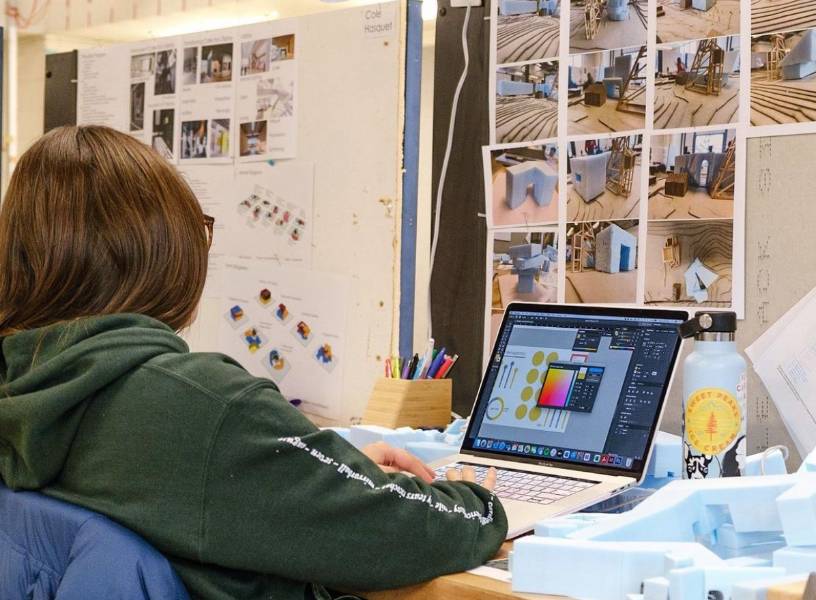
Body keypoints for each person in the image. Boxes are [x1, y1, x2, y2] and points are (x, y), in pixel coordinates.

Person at [0, 126, 507, 599]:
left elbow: (210, 491)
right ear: (161, 250)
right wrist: (483, 502)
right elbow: (425, 530)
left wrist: (314, 477)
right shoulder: (196, 403)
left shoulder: (21, 385)